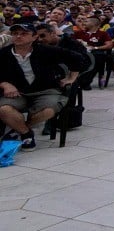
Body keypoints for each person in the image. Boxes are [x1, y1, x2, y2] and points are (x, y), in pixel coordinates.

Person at [0, 22, 89, 151]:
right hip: (18, 91)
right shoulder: (4, 54)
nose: (18, 36)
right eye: (15, 34)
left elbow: (78, 58)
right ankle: (26, 133)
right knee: (4, 109)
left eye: (24, 34)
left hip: (46, 90)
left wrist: (72, 77)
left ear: (34, 37)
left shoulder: (45, 51)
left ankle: (19, 129)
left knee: (48, 110)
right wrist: (5, 84)